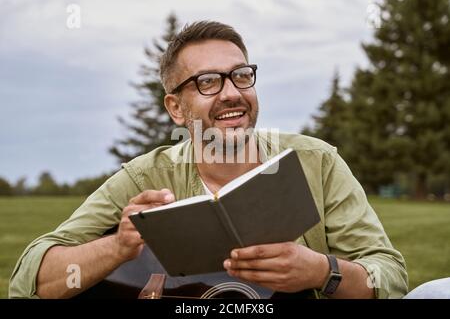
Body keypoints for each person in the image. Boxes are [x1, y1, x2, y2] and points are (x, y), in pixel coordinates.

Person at [9, 21, 408, 299]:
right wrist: (118, 246)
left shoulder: (316, 163)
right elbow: (32, 281)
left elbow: (390, 278)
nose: (232, 93)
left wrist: (324, 272)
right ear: (176, 108)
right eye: (207, 82)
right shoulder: (144, 175)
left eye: (241, 75)